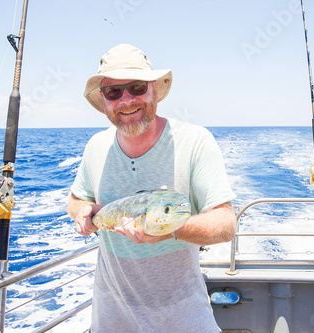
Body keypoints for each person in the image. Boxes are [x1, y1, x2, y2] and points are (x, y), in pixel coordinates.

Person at [68, 44, 236, 333]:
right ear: (104, 100)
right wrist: (84, 213)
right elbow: (75, 199)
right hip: (110, 320)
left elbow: (225, 224)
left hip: (183, 318)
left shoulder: (195, 142)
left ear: (155, 90)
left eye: (136, 87)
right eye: (114, 92)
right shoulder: (95, 147)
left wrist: (169, 229)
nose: (127, 100)